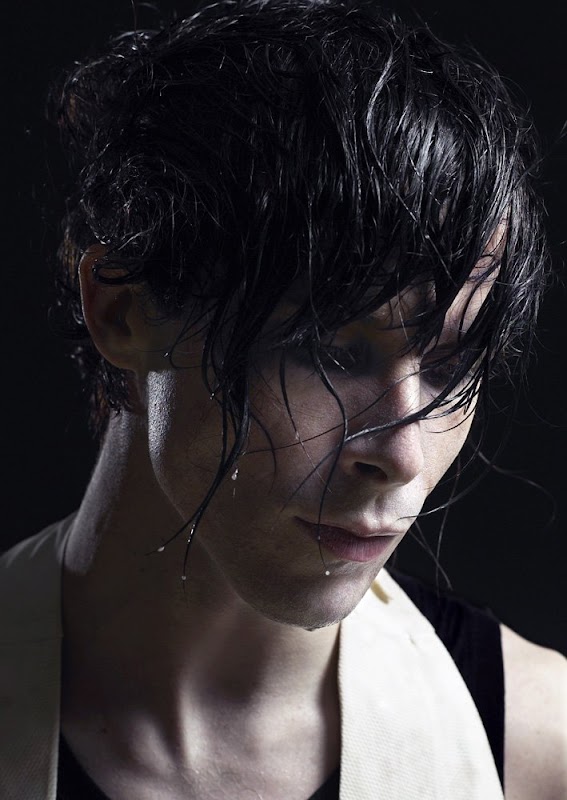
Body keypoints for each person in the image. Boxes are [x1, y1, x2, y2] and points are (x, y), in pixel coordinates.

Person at [1, 0, 565, 798]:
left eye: (448, 367)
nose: (402, 454)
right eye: (330, 353)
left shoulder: (535, 747)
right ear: (123, 311)